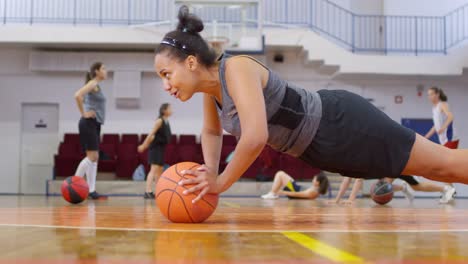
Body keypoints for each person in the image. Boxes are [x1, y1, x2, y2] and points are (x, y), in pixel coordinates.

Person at [155, 7, 468, 203]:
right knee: (436, 169)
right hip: (321, 149)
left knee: (443, 165)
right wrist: (208, 174)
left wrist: (220, 182)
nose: (165, 84)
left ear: (193, 62)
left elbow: (255, 136)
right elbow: (211, 132)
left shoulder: (236, 69)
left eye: (167, 74)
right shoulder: (212, 94)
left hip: (340, 124)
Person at [73, 62, 108, 200]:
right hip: (88, 122)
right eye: (104, 68)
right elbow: (77, 95)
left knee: (94, 158)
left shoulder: (97, 86)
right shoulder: (93, 83)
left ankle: (91, 190)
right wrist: (84, 113)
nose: (106, 71)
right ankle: (74, 184)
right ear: (96, 71)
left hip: (95, 123)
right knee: (92, 157)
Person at [138, 103, 173, 199]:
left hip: (161, 148)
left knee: (159, 170)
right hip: (155, 148)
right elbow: (151, 134)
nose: (172, 110)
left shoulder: (166, 121)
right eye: (170, 108)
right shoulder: (159, 121)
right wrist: (144, 145)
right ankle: (147, 191)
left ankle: (159, 190)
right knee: (153, 169)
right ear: (164, 110)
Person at [261, 171, 329, 199]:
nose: (313, 179)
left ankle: (272, 193)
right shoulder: (315, 190)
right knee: (281, 175)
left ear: (317, 182)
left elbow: (299, 194)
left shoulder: (314, 192)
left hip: (294, 190)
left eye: (314, 178)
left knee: (280, 174)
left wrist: (283, 192)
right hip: (295, 188)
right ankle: (273, 193)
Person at [387, 176, 455, 204]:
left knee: (416, 186)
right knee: (384, 184)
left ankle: (446, 189)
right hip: (397, 163)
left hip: (403, 163)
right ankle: (403, 187)